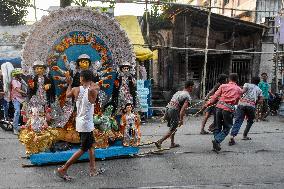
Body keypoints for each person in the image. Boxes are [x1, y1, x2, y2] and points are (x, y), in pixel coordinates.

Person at [55, 70, 103, 181]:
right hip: (86, 124)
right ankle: (63, 169)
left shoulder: (75, 89)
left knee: (91, 146)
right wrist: (92, 85)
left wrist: (70, 83)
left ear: (81, 78)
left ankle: (92, 170)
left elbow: (67, 95)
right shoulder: (93, 89)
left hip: (82, 122)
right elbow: (95, 89)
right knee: (83, 148)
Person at [203, 73, 242, 152]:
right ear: (237, 80)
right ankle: (217, 141)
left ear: (228, 79)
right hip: (228, 110)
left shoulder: (223, 86)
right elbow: (237, 102)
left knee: (217, 126)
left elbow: (214, 97)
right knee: (227, 127)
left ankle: (216, 145)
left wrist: (206, 104)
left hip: (218, 107)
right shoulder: (239, 89)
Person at [155, 80, 194, 149]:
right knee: (172, 129)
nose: (193, 89)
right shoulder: (187, 96)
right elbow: (182, 110)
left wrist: (165, 115)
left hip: (168, 109)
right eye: (192, 87)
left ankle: (172, 143)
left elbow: (171, 102)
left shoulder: (178, 92)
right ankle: (160, 141)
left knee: (173, 127)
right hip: (174, 111)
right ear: (190, 87)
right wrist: (181, 120)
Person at [228, 77, 263, 145]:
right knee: (250, 121)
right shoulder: (259, 90)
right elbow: (261, 101)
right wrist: (255, 101)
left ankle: (232, 136)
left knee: (238, 120)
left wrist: (239, 97)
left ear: (251, 80)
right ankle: (245, 135)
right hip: (251, 106)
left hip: (242, 104)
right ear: (258, 82)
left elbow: (242, 92)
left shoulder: (247, 84)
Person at [11, 68, 26, 135]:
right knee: (17, 111)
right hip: (16, 98)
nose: (20, 75)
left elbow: (26, 86)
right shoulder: (14, 81)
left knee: (26, 111)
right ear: (16, 74)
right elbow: (17, 90)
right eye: (19, 74)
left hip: (22, 98)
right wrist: (25, 92)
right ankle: (15, 128)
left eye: (20, 74)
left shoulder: (20, 80)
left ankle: (26, 125)